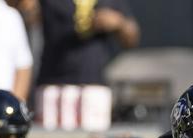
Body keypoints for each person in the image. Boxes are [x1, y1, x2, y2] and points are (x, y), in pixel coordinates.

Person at [32, 0, 139, 131]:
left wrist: (118, 22)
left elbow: (132, 38)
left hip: (93, 87)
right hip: (52, 86)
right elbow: (26, 11)